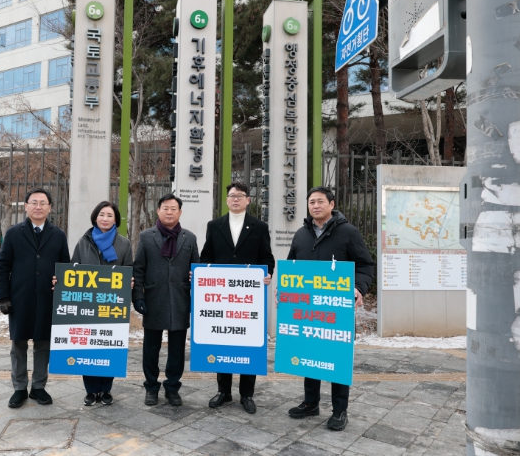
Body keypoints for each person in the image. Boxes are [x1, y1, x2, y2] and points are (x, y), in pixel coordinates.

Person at [286, 186, 373, 431]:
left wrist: (358, 288)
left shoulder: (348, 232)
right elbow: (292, 265)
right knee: (309, 355)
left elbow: (365, 265)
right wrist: (284, 290)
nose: (315, 205)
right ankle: (310, 403)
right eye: (311, 202)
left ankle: (339, 410)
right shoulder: (301, 234)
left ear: (331, 204)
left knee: (337, 358)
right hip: (308, 309)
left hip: (336, 309)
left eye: (320, 201)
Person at [201, 182, 275, 414]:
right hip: (222, 298)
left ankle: (247, 394)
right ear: (226, 199)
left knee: (248, 342)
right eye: (232, 195)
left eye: (240, 195)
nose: (235, 199)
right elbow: (206, 257)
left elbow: (267, 258)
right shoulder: (214, 225)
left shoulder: (259, 227)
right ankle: (223, 391)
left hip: (248, 298)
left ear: (248, 200)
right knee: (223, 339)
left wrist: (267, 273)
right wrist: (201, 274)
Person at [0, 187, 70, 408]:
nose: (38, 207)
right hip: (20, 298)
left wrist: (61, 284)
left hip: (48, 298)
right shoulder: (13, 233)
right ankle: (19, 388)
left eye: (43, 203)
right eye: (34, 202)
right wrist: (3, 296)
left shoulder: (58, 235)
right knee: (18, 344)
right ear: (26, 206)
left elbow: (65, 267)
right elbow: (2, 266)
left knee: (43, 344)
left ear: (50, 208)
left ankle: (38, 386)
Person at [133, 194, 199, 407]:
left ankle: (172, 387)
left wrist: (196, 293)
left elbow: (197, 270)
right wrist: (138, 296)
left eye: (173, 209)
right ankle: (151, 387)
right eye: (165, 208)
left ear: (180, 212)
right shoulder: (146, 236)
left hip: (180, 299)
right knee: (151, 348)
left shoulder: (190, 238)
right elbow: (139, 268)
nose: (169, 212)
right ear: (158, 211)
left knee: (177, 349)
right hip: (154, 298)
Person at [70, 201, 133, 406]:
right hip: (87, 303)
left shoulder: (124, 244)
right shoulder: (84, 242)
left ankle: (106, 389)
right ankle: (90, 390)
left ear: (116, 220)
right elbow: (73, 269)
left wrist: (130, 281)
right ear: (95, 217)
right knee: (88, 345)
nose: (105, 219)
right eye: (102, 215)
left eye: (110, 215)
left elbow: (128, 269)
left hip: (112, 304)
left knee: (109, 345)